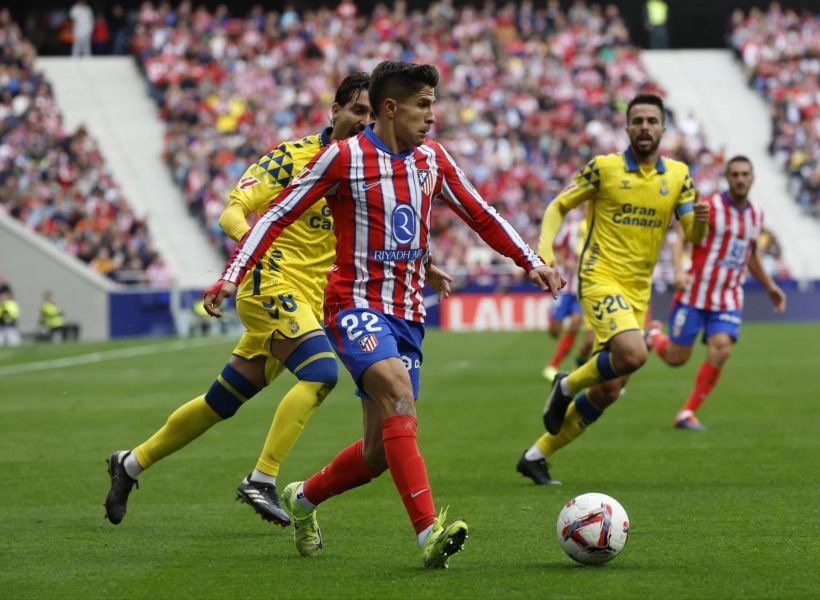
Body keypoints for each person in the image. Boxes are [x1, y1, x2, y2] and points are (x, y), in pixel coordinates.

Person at [204, 60, 565, 568]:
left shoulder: (432, 159)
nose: (432, 116)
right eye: (423, 104)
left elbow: (482, 213)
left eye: (433, 104)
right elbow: (278, 214)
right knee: (397, 395)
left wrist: (532, 262)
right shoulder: (344, 159)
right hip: (354, 306)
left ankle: (301, 498)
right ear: (391, 108)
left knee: (378, 450)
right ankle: (428, 534)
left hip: (408, 315)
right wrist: (233, 273)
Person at [104, 73, 412, 528]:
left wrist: (423, 264)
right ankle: (262, 479)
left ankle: (130, 463)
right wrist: (257, 246)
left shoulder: (366, 168)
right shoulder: (293, 157)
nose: (364, 121)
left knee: (220, 403)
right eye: (357, 111)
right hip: (269, 283)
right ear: (336, 111)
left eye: (371, 114)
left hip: (309, 301)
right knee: (322, 372)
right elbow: (232, 211)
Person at [517, 93, 709, 485]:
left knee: (609, 390)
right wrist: (544, 253)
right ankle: (566, 384)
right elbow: (558, 206)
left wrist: (702, 221)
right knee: (634, 353)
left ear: (662, 128)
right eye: (636, 120)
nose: (644, 127)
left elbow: (692, 233)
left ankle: (536, 455)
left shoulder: (678, 176)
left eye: (651, 121)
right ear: (626, 127)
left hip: (638, 290)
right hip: (600, 277)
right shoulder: (604, 168)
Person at [645, 156, 787, 430]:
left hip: (728, 297)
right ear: (727, 177)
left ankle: (687, 413)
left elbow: (750, 254)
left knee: (721, 349)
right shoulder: (710, 206)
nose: (740, 179)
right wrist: (678, 271)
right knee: (677, 358)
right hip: (694, 294)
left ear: (753, 177)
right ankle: (653, 334)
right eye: (735, 174)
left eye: (745, 174)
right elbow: (680, 238)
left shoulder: (757, 214)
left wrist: (770, 286)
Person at [542, 214, 588, 381]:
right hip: (565, 286)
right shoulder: (571, 228)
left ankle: (553, 364)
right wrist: (565, 262)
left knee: (575, 324)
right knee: (554, 331)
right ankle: (552, 317)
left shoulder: (598, 226)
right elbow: (556, 248)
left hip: (582, 287)